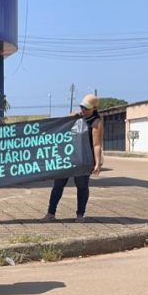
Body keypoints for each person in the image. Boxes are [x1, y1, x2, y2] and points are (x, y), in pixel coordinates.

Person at [44, 94, 104, 223]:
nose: (83, 110)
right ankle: (50, 213)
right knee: (58, 185)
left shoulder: (96, 123)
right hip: (67, 158)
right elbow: (61, 127)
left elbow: (97, 144)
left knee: (82, 186)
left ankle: (80, 214)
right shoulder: (76, 118)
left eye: (87, 108)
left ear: (94, 108)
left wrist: (98, 163)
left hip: (83, 160)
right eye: (82, 107)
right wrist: (72, 116)